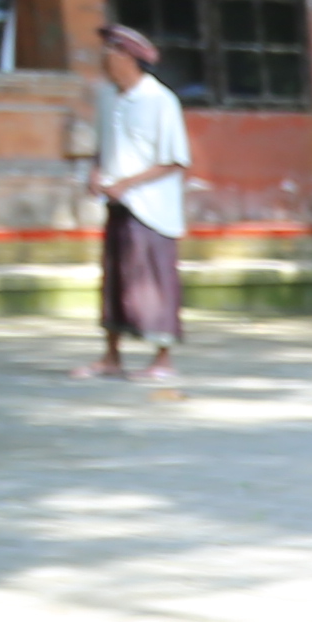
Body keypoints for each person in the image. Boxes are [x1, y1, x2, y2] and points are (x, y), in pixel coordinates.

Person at [81, 24, 188, 394]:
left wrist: (126, 183)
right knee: (115, 278)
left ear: (127, 57)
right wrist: (95, 174)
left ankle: (162, 359)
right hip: (117, 203)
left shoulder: (160, 100)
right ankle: (111, 356)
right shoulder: (106, 97)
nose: (103, 60)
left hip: (151, 207)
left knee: (155, 281)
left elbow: (174, 160)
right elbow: (102, 146)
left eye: (110, 52)